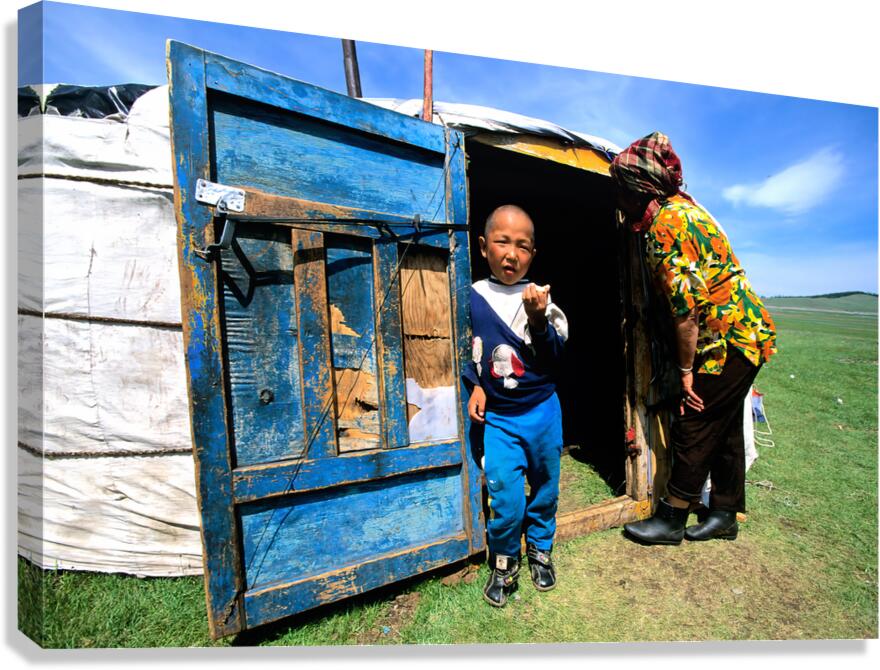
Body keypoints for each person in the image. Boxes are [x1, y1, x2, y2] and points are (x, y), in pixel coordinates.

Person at [610, 132, 777, 545]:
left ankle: (671, 518)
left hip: (727, 341)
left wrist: (685, 371)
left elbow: (686, 311)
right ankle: (724, 512)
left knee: (695, 419)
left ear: (638, 189)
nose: (617, 197)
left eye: (621, 188)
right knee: (723, 425)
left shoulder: (667, 225)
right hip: (746, 333)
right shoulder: (687, 210)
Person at [463, 204, 569, 607]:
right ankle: (504, 562)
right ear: (483, 246)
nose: (512, 254)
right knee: (504, 495)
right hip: (500, 419)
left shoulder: (542, 299)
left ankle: (540, 549)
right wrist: (476, 385)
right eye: (502, 242)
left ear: (533, 254)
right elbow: (466, 346)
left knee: (545, 485)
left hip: (542, 411)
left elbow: (555, 358)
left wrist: (539, 320)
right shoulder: (472, 295)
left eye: (523, 246)